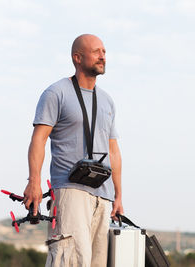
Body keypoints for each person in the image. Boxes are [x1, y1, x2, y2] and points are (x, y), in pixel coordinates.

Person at [22, 34, 123, 267]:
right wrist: (34, 182)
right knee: (70, 261)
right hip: (70, 190)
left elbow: (113, 150)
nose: (103, 56)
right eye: (97, 51)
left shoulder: (107, 101)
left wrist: (118, 195)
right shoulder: (56, 92)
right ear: (77, 57)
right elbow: (39, 139)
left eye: (104, 52)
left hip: (103, 195)